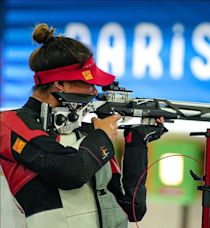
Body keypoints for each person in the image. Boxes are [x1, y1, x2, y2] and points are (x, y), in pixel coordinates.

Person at [0, 23, 167, 228]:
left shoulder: (91, 136)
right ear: (59, 84)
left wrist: (137, 143)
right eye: (89, 83)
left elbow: (132, 209)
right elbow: (71, 173)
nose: (94, 92)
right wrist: (103, 136)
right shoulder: (9, 124)